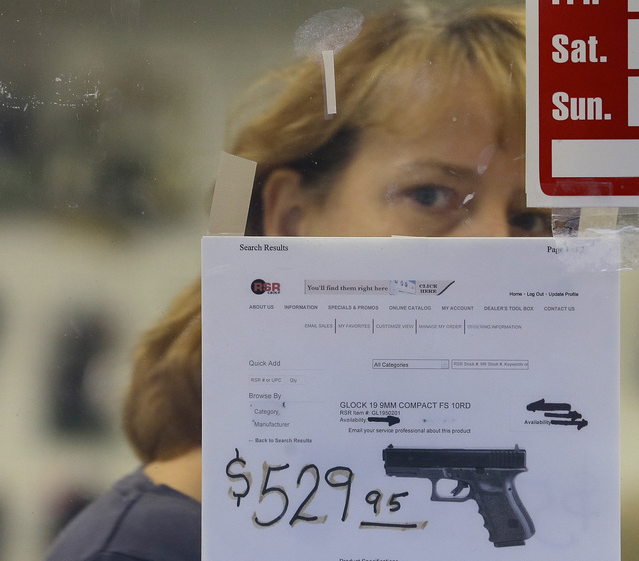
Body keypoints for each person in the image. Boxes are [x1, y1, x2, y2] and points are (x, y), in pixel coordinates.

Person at [45, 3, 542, 560]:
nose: (500, 248)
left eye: (529, 219)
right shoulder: (145, 549)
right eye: (429, 195)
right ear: (291, 221)